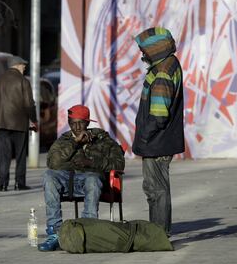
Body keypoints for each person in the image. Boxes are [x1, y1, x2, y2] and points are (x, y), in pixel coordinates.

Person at [38, 104, 125, 252]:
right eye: (73, 123)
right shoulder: (65, 139)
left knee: (92, 179)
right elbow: (53, 162)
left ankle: (88, 230)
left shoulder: (101, 138)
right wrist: (75, 143)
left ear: (88, 123)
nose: (77, 127)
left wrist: (91, 162)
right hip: (68, 183)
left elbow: (119, 163)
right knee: (49, 175)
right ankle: (55, 233)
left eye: (81, 123)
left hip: (93, 183)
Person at [132, 27, 185, 235]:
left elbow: (159, 115)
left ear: (155, 48)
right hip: (160, 140)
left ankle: (159, 233)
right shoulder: (169, 64)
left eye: (144, 49)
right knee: (157, 189)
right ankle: (158, 231)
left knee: (156, 189)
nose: (142, 53)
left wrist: (144, 137)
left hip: (157, 142)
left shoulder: (162, 72)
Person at [0, 56, 38, 192]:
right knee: (20, 154)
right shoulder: (23, 81)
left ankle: (2, 184)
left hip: (2, 123)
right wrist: (33, 120)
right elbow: (29, 104)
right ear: (16, 65)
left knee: (4, 155)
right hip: (20, 123)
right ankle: (19, 183)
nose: (24, 68)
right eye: (23, 65)